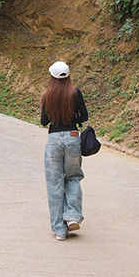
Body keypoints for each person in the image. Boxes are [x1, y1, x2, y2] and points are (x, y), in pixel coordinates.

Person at [40, 60, 88, 240]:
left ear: (51, 77)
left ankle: (60, 230)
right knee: (73, 177)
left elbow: (44, 121)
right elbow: (84, 117)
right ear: (68, 76)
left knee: (55, 182)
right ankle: (72, 216)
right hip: (73, 138)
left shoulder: (47, 95)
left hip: (53, 140)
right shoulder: (75, 93)